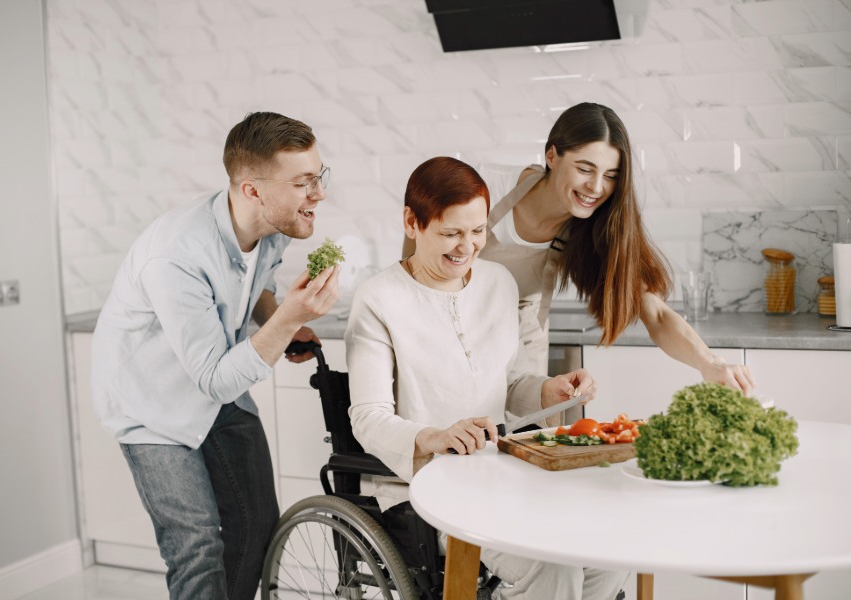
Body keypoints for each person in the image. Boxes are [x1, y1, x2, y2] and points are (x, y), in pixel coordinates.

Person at [345, 156, 628, 600]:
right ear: (412, 223)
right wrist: (436, 436)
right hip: (425, 488)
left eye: (477, 232)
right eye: (451, 233)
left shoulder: (499, 283)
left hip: (500, 475)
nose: (467, 246)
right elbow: (367, 417)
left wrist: (548, 389)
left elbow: (510, 384)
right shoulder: (380, 299)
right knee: (551, 564)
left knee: (605, 548)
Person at [92, 111, 341, 600]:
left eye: (319, 177)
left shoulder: (267, 228)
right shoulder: (178, 256)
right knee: (198, 545)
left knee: (257, 523)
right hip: (152, 405)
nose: (319, 194)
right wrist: (287, 319)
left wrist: (278, 317)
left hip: (215, 380)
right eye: (303, 183)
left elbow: (259, 288)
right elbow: (214, 379)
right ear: (252, 190)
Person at [405, 102, 755, 393]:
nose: (596, 187)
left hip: (519, 351)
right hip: (443, 334)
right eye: (585, 168)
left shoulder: (595, 229)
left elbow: (656, 313)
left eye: (611, 175)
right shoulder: (484, 188)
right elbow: (411, 272)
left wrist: (709, 363)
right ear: (552, 156)